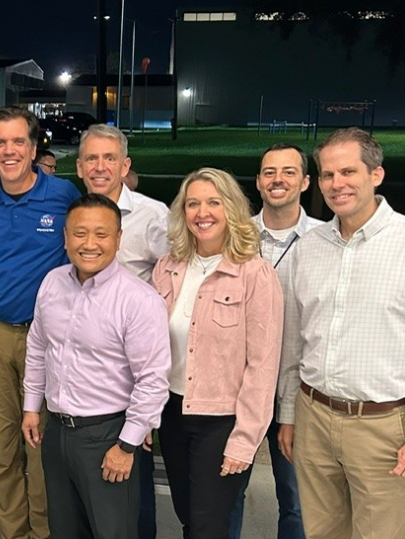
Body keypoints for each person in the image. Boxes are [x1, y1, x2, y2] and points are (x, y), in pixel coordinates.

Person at [278, 128, 405, 539]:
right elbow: (294, 342)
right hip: (313, 414)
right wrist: (289, 414)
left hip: (379, 426)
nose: (336, 184)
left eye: (348, 171)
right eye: (327, 175)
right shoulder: (309, 247)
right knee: (321, 530)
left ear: (376, 174)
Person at [22, 194, 171, 539]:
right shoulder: (52, 283)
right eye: (79, 233)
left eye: (101, 235)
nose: (89, 244)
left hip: (108, 437)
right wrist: (32, 407)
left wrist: (127, 446)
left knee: (111, 532)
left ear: (118, 239)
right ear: (65, 236)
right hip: (57, 432)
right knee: (64, 531)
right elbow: (38, 346)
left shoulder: (138, 300)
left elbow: (152, 380)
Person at [151, 167, 284, 539]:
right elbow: (148, 349)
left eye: (213, 202)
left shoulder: (255, 274)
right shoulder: (168, 268)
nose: (202, 212)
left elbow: (263, 365)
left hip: (222, 420)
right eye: (193, 203)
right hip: (173, 414)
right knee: (187, 514)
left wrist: (246, 440)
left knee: (209, 524)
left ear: (231, 209)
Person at [0, 106, 81, 539]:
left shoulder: (62, 196)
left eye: (19, 142)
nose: (9, 150)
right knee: (2, 446)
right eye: (0, 142)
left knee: (41, 450)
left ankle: (44, 532)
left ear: (34, 149)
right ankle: (13, 533)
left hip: (48, 337)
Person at [74, 124, 170, 539]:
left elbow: (173, 282)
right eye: (91, 158)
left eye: (109, 158)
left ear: (125, 165)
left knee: (132, 484)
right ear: (79, 167)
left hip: (133, 368)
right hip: (84, 368)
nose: (100, 166)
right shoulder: (74, 209)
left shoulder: (152, 215)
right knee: (87, 488)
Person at [228, 143, 319, 539]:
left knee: (297, 501)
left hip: (295, 389)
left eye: (287, 171)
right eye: (269, 172)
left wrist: (290, 408)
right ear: (259, 182)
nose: (277, 179)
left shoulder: (324, 241)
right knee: (227, 492)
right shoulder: (235, 237)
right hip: (238, 389)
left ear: (305, 181)